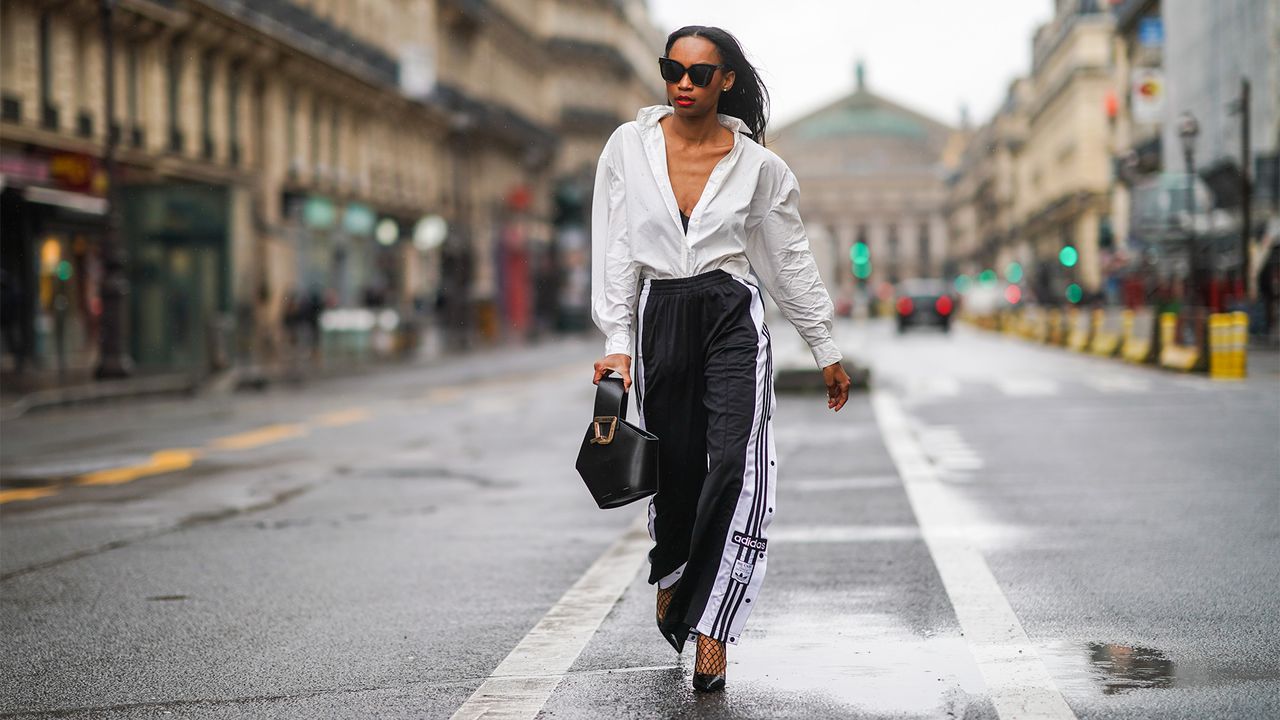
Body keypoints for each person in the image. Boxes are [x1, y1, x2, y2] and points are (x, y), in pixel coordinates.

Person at [589, 25, 851, 693]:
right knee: (674, 467)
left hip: (732, 311)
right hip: (662, 311)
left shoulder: (759, 167)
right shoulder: (629, 147)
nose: (682, 82)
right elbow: (617, 249)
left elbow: (789, 261)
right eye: (671, 69)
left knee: (736, 461)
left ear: (726, 79)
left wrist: (824, 346)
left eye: (698, 73)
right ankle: (674, 571)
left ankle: (715, 626)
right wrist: (615, 343)